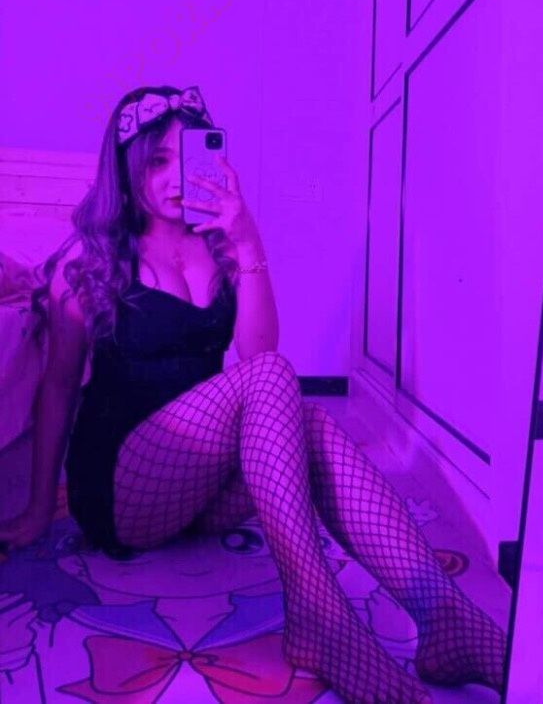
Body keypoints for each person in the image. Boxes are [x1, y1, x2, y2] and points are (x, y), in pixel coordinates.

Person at [0, 85, 506, 703]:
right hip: (123, 488)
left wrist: (247, 242)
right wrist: (37, 507)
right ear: (126, 170)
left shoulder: (217, 243)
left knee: (309, 421)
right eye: (156, 161)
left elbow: (257, 352)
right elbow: (56, 387)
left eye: (187, 154)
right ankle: (321, 619)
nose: (175, 177)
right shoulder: (94, 258)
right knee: (274, 380)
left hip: (199, 489)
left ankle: (443, 614)